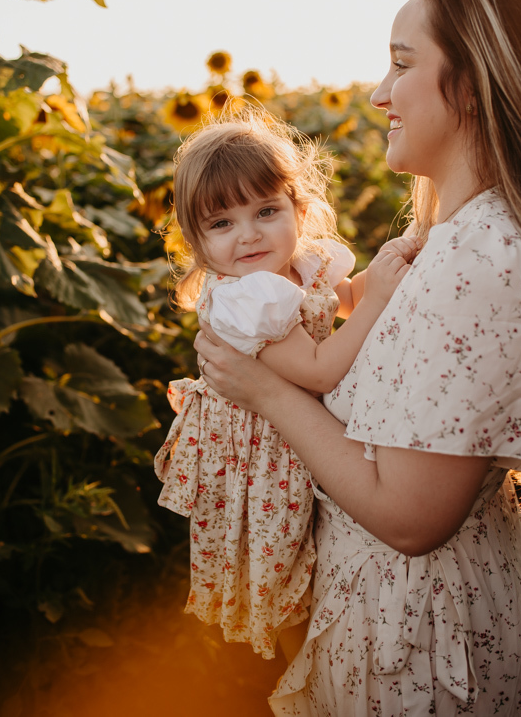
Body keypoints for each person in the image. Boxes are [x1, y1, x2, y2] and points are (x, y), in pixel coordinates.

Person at [194, 0, 521, 715]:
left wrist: (264, 390)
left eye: (402, 65)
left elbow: (411, 518)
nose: (379, 93)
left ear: (472, 87)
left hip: (429, 648)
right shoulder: (447, 239)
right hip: (402, 623)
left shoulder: (476, 259)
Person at [154, 106, 419, 660]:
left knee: (319, 549)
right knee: (280, 553)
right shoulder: (247, 299)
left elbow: (343, 301)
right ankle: (290, 664)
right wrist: (380, 298)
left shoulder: (301, 265)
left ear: (299, 209)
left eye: (266, 211)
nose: (249, 235)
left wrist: (392, 263)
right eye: (221, 224)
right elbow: (320, 368)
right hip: (258, 452)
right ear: (195, 240)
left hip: (289, 430)